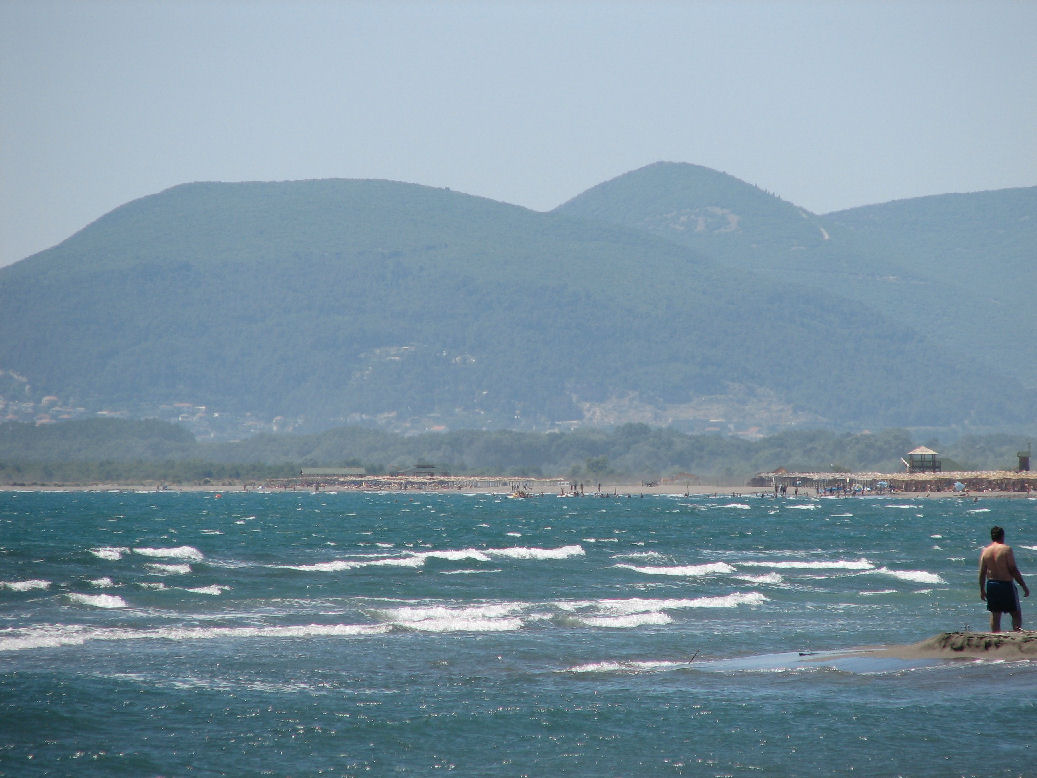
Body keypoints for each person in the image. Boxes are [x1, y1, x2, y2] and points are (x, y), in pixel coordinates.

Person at [979, 526, 1030, 632]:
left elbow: (982, 572)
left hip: (991, 584)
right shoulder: (1006, 549)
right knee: (1015, 613)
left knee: (995, 614)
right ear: (1002, 536)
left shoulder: (985, 551)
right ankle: (1016, 632)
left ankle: (995, 635)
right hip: (1005, 584)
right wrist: (1023, 585)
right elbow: (1013, 569)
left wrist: (982, 589)